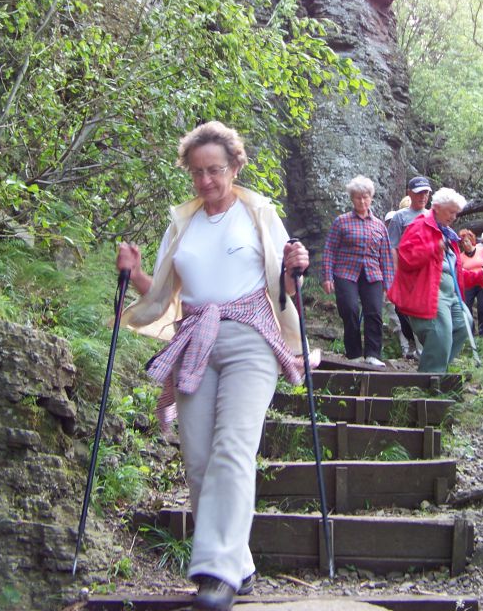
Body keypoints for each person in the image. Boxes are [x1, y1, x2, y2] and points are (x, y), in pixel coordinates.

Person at [116, 121, 309, 611]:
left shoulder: (259, 212)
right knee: (199, 459)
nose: (205, 181)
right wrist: (133, 271)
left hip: (251, 339)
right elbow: (157, 296)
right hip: (195, 339)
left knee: (231, 449)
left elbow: (286, 287)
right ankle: (238, 565)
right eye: (197, 172)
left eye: (215, 170)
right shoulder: (182, 223)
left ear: (235, 166)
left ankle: (215, 574)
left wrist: (295, 268)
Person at [388, 187, 483, 374]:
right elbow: (406, 258)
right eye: (451, 212)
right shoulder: (419, 226)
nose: (453, 217)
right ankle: (431, 378)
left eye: (456, 213)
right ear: (437, 207)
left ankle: (435, 370)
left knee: (463, 323)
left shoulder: (448, 233)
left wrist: (479, 276)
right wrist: (434, 247)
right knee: (440, 331)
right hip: (430, 290)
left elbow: (453, 270)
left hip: (451, 292)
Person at [321, 175, 394, 367]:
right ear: (352, 199)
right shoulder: (341, 222)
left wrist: (389, 284)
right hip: (346, 272)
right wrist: (327, 276)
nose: (362, 201)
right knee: (350, 309)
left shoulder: (379, 225)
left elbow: (385, 255)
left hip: (372, 274)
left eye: (365, 197)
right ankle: (354, 354)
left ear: (371, 198)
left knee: (374, 312)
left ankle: (373, 354)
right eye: (357, 197)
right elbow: (330, 249)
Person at [386, 176, 433, 355]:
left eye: (426, 193)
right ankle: (415, 344)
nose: (423, 196)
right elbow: (393, 247)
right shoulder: (400, 218)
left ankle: (426, 352)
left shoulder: (432, 216)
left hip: (429, 273)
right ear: (409, 193)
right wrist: (396, 275)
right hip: (407, 274)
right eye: (419, 192)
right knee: (403, 309)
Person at [458, 229, 483, 330]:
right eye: (462, 242)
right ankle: (471, 331)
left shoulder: (482, 251)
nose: (465, 244)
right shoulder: (460, 257)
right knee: (467, 307)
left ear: (471, 240)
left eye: (467, 241)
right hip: (468, 284)